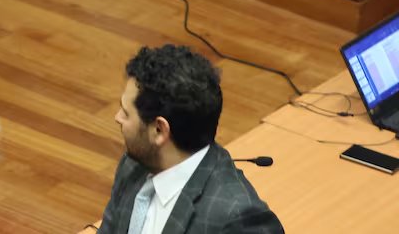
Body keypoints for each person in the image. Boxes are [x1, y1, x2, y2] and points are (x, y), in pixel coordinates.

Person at [98, 45, 283, 234]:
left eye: (126, 113)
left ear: (159, 130)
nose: (117, 117)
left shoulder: (237, 219)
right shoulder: (134, 164)